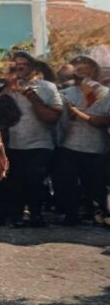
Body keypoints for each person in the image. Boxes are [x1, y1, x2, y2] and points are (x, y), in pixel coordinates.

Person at [4, 51, 62, 227]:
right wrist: (4, 87)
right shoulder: (6, 87)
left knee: (35, 179)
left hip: (40, 142)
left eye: (24, 64)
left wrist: (34, 99)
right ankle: (17, 215)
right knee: (17, 181)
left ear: (33, 67)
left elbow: (53, 116)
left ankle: (36, 214)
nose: (20, 67)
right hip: (13, 143)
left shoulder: (47, 87)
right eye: (16, 65)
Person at [54, 56, 109, 226]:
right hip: (69, 145)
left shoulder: (105, 94)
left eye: (85, 68)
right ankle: (71, 214)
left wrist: (78, 113)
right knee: (67, 183)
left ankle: (97, 214)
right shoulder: (66, 93)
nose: (81, 72)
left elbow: (104, 120)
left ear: (93, 70)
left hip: (94, 147)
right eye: (77, 68)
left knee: (95, 184)